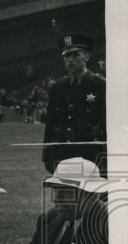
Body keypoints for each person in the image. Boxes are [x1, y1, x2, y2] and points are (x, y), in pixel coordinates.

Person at [42, 34, 106, 175]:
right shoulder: (58, 86)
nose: (70, 60)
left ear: (87, 57)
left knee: (89, 192)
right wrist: (47, 150)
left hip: (89, 149)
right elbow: (51, 122)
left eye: (75, 55)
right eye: (66, 56)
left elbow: (106, 122)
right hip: (62, 149)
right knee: (64, 192)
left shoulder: (99, 85)